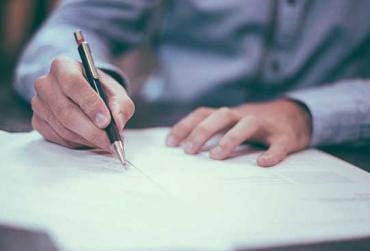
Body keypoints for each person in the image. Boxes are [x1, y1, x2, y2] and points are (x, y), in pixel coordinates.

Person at [15, 0, 370, 167]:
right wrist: (73, 84)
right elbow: (77, 22)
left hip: (340, 147)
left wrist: (306, 113)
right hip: (173, 136)